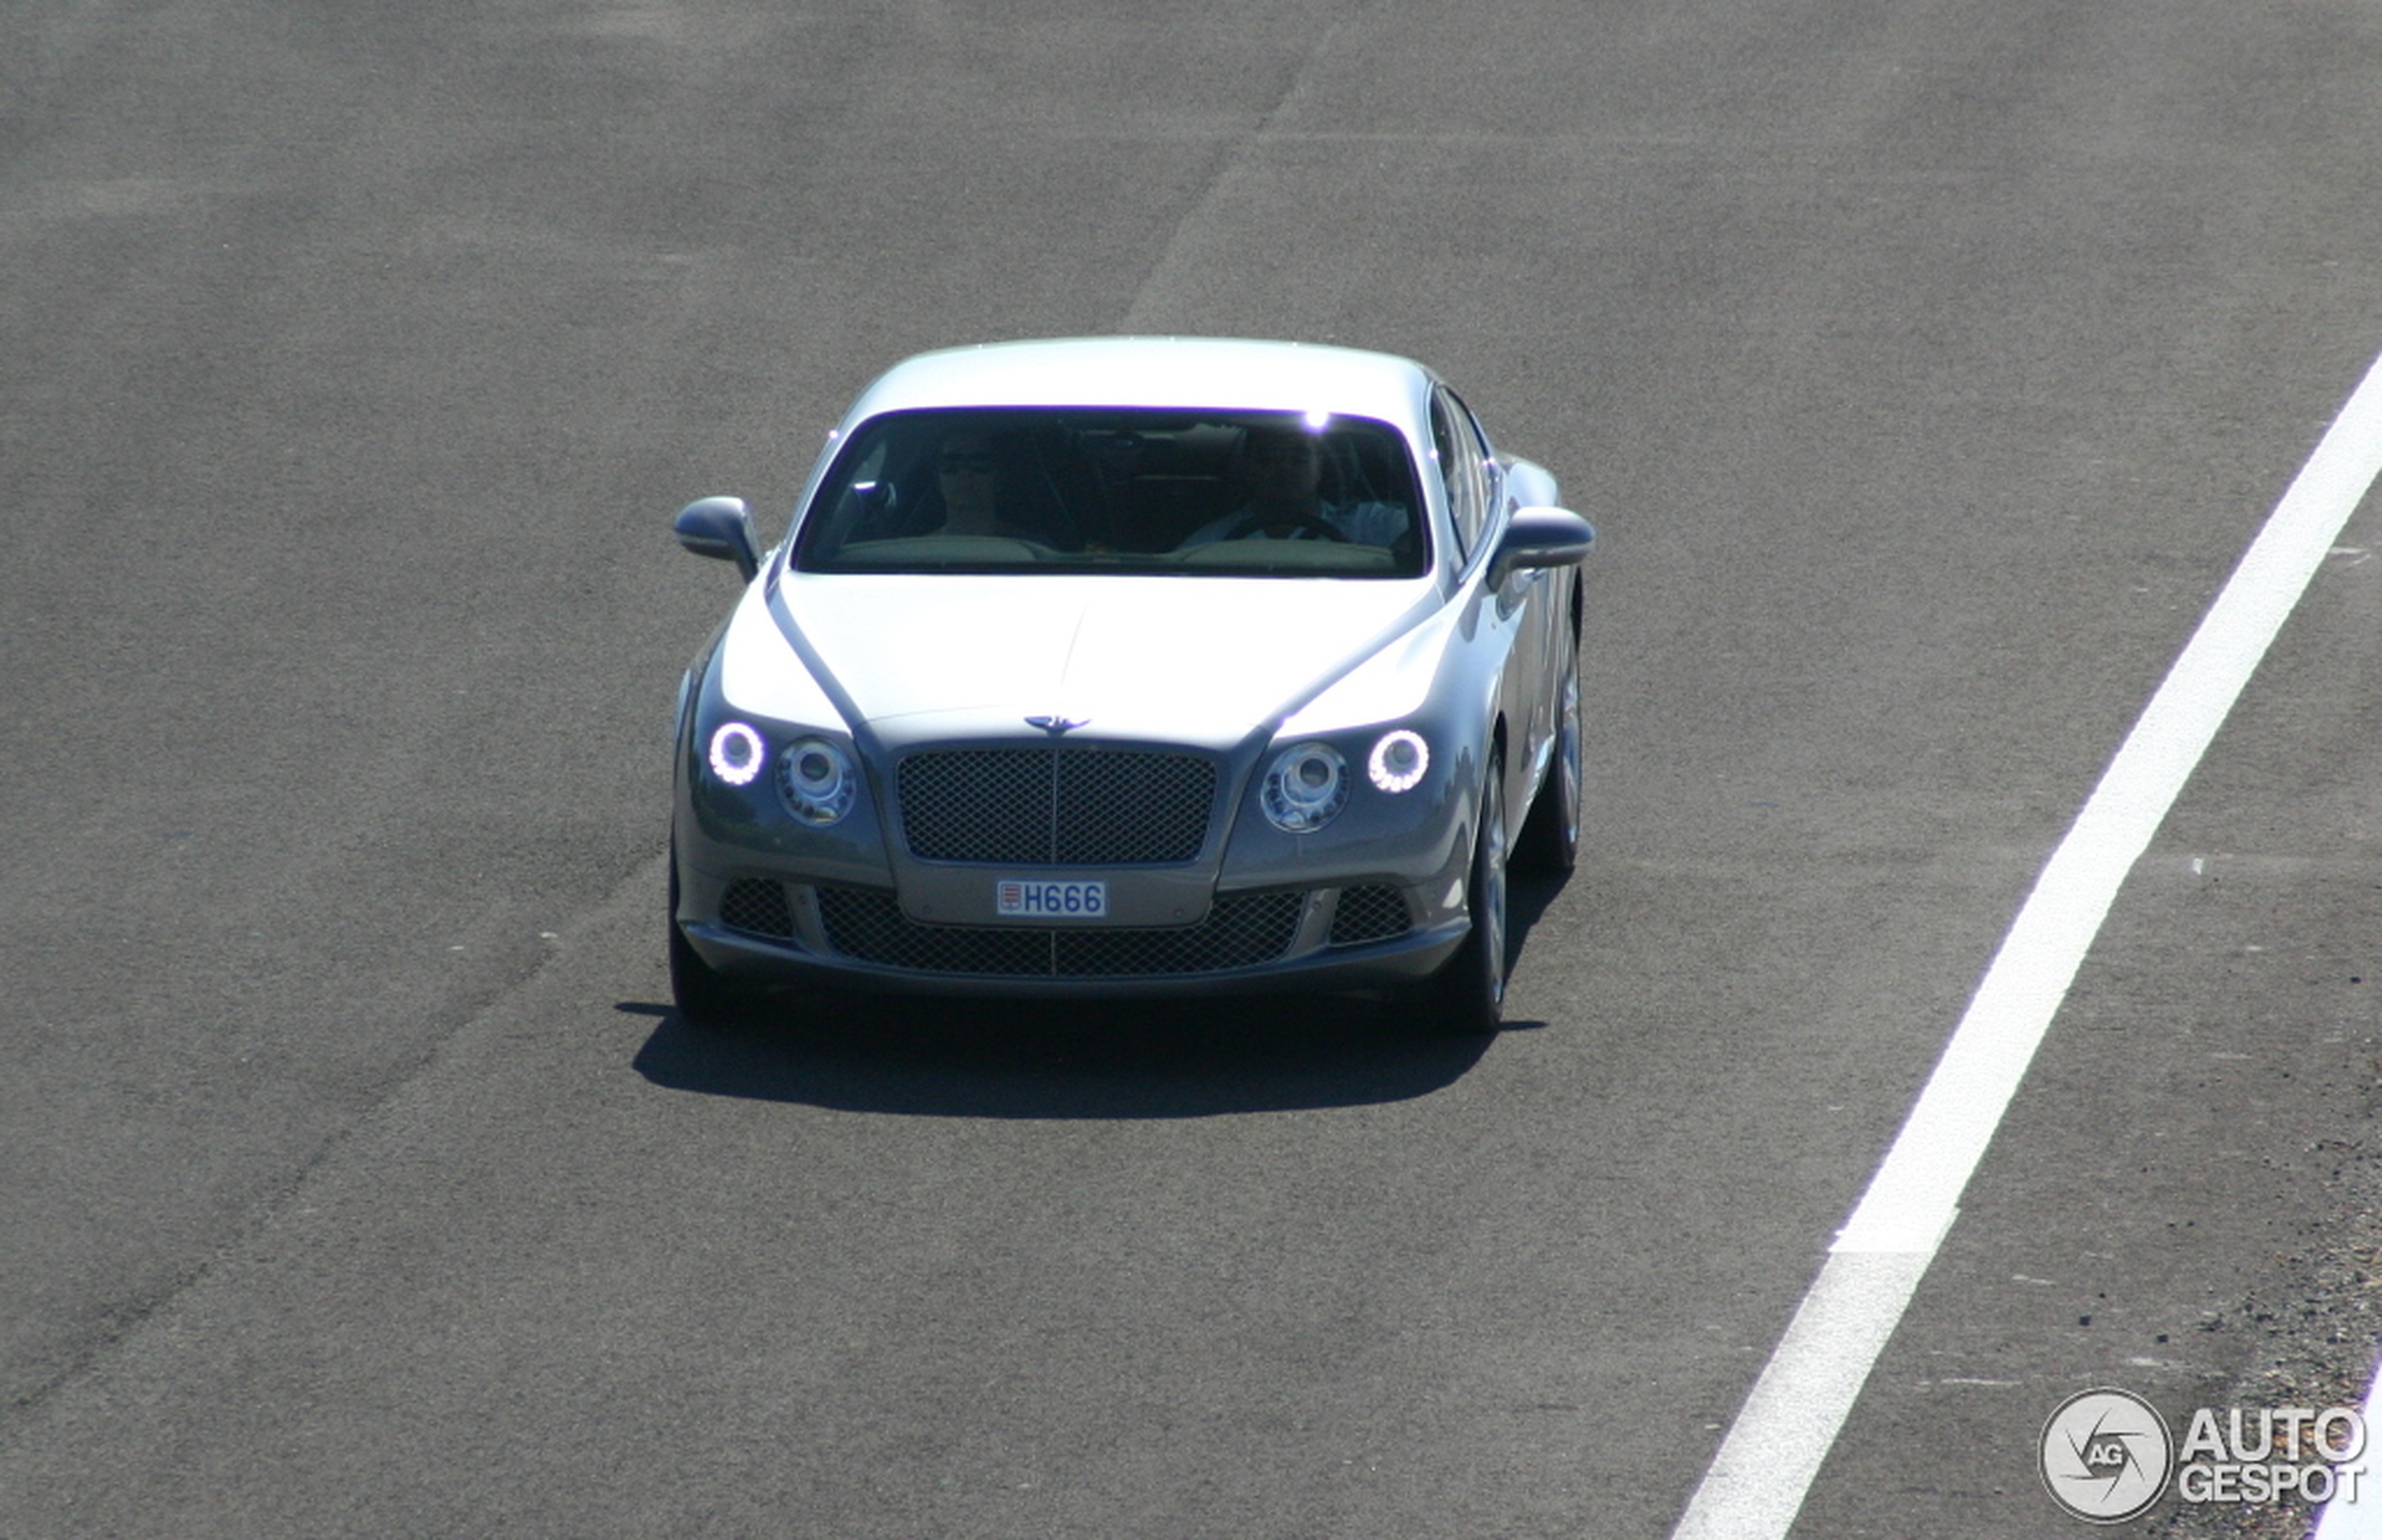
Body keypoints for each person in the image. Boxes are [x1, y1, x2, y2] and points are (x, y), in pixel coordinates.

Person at [1177, 425, 1407, 550]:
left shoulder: (1367, 524)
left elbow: (1430, 531)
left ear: (1320, 465)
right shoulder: (1214, 541)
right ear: (1248, 469)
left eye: (1299, 457)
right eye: (1267, 459)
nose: (1283, 469)